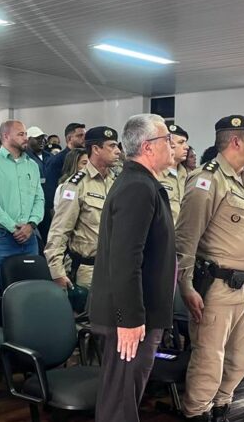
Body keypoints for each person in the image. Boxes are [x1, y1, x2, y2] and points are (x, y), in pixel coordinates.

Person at [176, 115, 244, 421]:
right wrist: (186, 286)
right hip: (216, 286)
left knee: (238, 362)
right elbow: (186, 239)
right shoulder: (207, 179)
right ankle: (197, 413)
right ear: (236, 141)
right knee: (208, 362)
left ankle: (221, 409)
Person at [90, 113, 176, 422]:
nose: (172, 145)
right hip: (129, 319)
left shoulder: (142, 183)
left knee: (125, 398)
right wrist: (128, 319)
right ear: (148, 146)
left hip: (137, 314)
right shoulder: (137, 187)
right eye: (167, 139)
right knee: (119, 404)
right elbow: (126, 259)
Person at [0, 120, 43, 303]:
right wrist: (13, 227)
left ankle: (26, 320)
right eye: (20, 134)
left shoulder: (32, 165)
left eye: (25, 134)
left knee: (30, 284)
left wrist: (31, 225)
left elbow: (39, 199)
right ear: (5, 136)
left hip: (29, 235)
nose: (25, 138)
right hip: (0, 236)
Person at [45, 127, 119, 290]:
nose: (118, 151)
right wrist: (57, 272)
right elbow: (59, 230)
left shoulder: (117, 182)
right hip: (88, 270)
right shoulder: (76, 185)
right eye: (112, 146)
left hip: (116, 267)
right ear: (96, 149)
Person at [42, 123, 86, 238]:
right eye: (80, 135)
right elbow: (50, 191)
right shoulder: (57, 160)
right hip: (61, 210)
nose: (84, 138)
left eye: (84, 135)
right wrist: (54, 219)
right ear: (69, 138)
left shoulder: (87, 158)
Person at [159, 122, 189, 223]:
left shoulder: (187, 175)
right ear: (168, 144)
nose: (186, 147)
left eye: (186, 142)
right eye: (181, 142)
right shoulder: (156, 174)